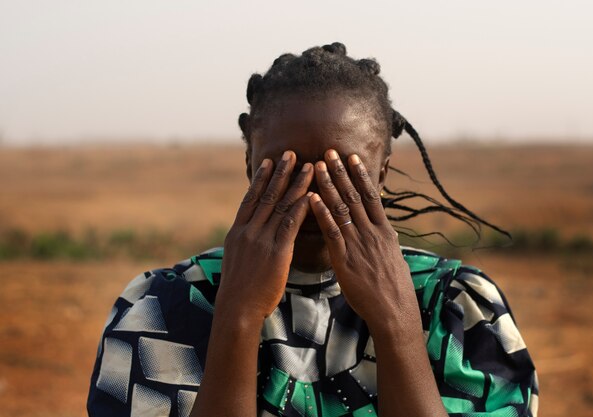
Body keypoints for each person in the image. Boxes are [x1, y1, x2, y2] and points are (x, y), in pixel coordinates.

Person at [87, 42, 538, 417]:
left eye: (339, 173)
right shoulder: (162, 308)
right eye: (287, 171)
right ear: (249, 162)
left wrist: (396, 322)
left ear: (381, 172)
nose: (313, 200)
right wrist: (238, 319)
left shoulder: (458, 308)